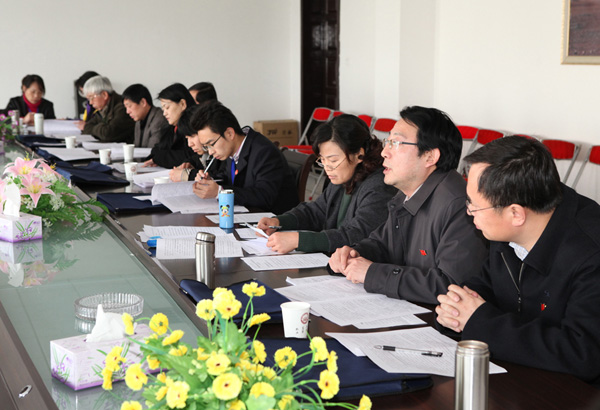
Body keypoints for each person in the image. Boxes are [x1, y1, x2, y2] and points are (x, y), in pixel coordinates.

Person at [436, 136, 600, 385]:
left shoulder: (591, 254)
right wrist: (457, 307)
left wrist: (478, 321)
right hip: (524, 376)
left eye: (474, 206)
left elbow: (582, 354)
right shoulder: (507, 228)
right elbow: (487, 284)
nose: (468, 213)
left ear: (516, 213)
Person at [328, 106, 488, 304]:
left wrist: (372, 273)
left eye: (395, 143)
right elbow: (383, 245)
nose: (384, 152)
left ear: (430, 156)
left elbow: (451, 286)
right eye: (387, 142)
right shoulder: (407, 193)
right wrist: (353, 254)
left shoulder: (458, 205)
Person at [256, 114, 397, 254]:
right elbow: (316, 212)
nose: (327, 167)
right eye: (322, 160)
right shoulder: (344, 175)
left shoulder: (379, 186)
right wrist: (278, 222)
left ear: (359, 154)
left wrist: (299, 240)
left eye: (333, 160)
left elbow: (357, 235)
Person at [190, 100, 299, 214]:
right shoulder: (232, 149)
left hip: (274, 218)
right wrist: (211, 181)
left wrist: (220, 192)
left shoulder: (264, 152)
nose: (210, 152)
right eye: (206, 147)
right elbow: (231, 178)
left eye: (211, 144)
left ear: (230, 133)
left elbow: (265, 196)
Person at [143, 83, 202, 173]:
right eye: (163, 109)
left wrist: (160, 158)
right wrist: (161, 158)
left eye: (167, 108)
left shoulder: (194, 125)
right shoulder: (171, 127)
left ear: (182, 104)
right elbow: (156, 150)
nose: (164, 113)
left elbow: (186, 156)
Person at [77, 76, 134, 143]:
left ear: (104, 95)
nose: (90, 102)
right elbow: (88, 127)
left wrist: (93, 128)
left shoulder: (123, 108)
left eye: (91, 98)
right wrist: (100, 128)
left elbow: (108, 134)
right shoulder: (103, 109)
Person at [122, 84, 168, 148]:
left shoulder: (159, 120)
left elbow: (152, 150)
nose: (127, 111)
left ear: (143, 102)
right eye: (126, 107)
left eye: (129, 106)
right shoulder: (138, 120)